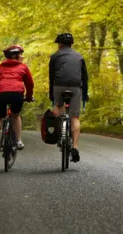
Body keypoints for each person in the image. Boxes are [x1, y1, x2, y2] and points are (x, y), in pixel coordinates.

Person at [49, 33, 89, 163]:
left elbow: (51, 77)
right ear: (71, 44)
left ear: (59, 44)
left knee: (58, 107)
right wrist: (84, 94)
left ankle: (59, 132)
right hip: (75, 86)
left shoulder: (55, 56)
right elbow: (85, 77)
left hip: (59, 85)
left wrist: (52, 95)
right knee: (75, 117)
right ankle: (75, 148)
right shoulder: (79, 56)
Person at [0, 44, 34, 153]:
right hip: (16, 94)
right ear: (16, 56)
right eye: (20, 55)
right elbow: (30, 84)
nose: (22, 57)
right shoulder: (23, 67)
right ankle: (19, 141)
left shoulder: (1, 66)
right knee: (15, 116)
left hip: (1, 93)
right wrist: (28, 97)